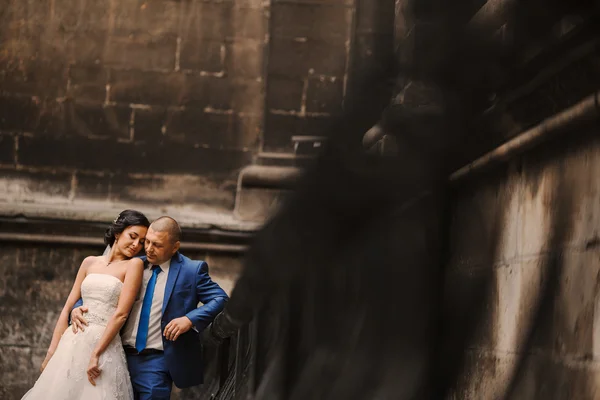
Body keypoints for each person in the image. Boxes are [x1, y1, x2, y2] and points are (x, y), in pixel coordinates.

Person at [71, 216, 229, 399]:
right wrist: (78, 306)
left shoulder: (191, 271)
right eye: (147, 242)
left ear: (175, 247)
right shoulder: (133, 262)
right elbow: (99, 287)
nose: (148, 249)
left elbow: (221, 298)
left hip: (157, 362)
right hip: (117, 355)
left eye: (157, 245)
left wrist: (189, 319)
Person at [22, 209, 151, 400]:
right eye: (132, 237)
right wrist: (51, 352)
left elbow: (122, 314)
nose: (136, 245)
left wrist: (96, 353)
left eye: (141, 242)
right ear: (118, 233)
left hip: (104, 345)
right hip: (72, 340)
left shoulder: (134, 265)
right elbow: (67, 307)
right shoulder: (89, 262)